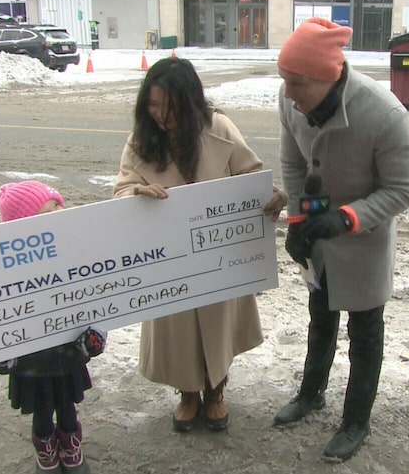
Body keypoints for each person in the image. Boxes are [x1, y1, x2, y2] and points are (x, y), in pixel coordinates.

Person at [112, 57, 287, 433]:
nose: (161, 115)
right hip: (168, 260)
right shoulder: (140, 140)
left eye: (170, 107)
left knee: (217, 327)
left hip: (217, 258)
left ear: (190, 101)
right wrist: (137, 193)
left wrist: (269, 196)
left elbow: (250, 176)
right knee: (178, 333)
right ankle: (188, 394)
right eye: (153, 105)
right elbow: (122, 189)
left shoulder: (219, 127)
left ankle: (215, 391)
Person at [273, 17, 409, 462]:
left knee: (365, 333)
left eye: (297, 83)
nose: (288, 93)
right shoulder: (291, 101)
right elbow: (295, 164)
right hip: (319, 235)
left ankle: (356, 420)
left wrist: (347, 219)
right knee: (320, 317)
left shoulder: (384, 114)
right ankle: (311, 393)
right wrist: (299, 220)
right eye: (284, 80)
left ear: (328, 78)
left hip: (364, 243)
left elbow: (401, 191)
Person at [0, 180, 104, 474]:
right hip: (31, 361)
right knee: (42, 408)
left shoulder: (75, 255)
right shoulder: (5, 272)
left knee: (67, 404)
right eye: (46, 212)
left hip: (67, 352)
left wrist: (95, 335)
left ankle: (71, 447)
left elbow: (95, 299)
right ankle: (46, 451)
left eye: (57, 206)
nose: (57, 214)